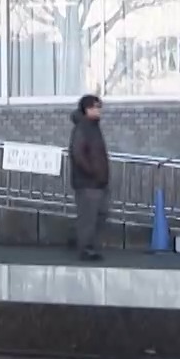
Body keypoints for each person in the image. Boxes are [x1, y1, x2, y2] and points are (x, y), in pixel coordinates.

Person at [68, 94, 111, 261]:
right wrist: (93, 172)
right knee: (88, 216)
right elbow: (78, 154)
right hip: (87, 182)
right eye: (96, 107)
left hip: (98, 182)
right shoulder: (82, 128)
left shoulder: (93, 127)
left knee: (100, 214)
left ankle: (90, 245)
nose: (99, 110)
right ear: (87, 109)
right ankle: (85, 248)